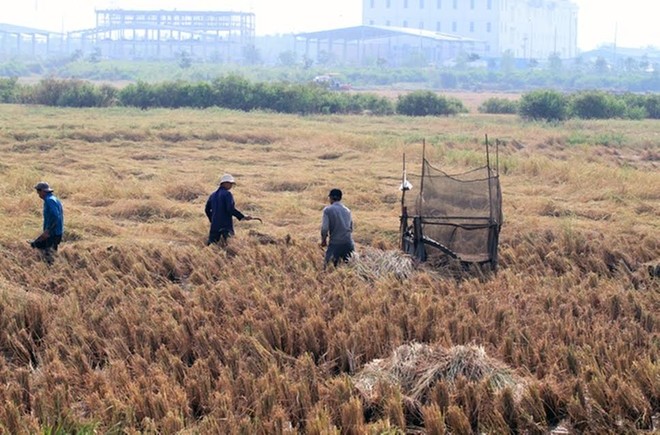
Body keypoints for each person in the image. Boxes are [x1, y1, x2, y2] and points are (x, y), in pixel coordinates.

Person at [205, 174, 253, 245]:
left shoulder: (213, 195)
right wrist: (242, 216)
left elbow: (207, 209)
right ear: (224, 183)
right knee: (230, 245)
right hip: (226, 225)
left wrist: (212, 219)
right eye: (230, 184)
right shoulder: (227, 194)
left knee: (211, 246)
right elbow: (230, 209)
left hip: (215, 225)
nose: (231, 186)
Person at [30, 181, 64, 263]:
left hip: (53, 233)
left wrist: (48, 231)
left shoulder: (49, 201)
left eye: (38, 191)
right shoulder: (53, 199)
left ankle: (50, 271)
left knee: (48, 255)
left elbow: (56, 216)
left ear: (43, 191)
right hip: (56, 232)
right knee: (49, 252)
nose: (37, 193)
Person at [321, 188, 355, 267]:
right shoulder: (347, 210)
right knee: (349, 268)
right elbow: (351, 227)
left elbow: (325, 228)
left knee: (328, 268)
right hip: (348, 243)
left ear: (331, 198)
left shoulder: (328, 210)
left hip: (335, 243)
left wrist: (323, 240)